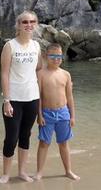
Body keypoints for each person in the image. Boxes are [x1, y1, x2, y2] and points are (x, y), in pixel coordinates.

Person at [0, 10, 42, 184]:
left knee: (26, 135)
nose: (29, 25)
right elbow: (4, 74)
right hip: (14, 99)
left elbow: (39, 69)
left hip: (32, 97)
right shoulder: (10, 46)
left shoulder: (36, 46)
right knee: (11, 137)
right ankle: (6, 174)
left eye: (32, 21)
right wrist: (6, 100)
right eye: (25, 22)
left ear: (36, 24)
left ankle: (22, 172)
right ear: (18, 25)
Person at [34, 43, 80, 181]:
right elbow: (39, 96)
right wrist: (39, 114)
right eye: (53, 56)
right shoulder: (41, 74)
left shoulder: (66, 74)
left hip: (63, 113)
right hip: (47, 114)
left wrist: (72, 116)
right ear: (45, 56)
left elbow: (70, 96)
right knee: (44, 143)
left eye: (59, 56)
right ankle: (39, 172)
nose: (56, 59)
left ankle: (68, 170)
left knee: (64, 143)